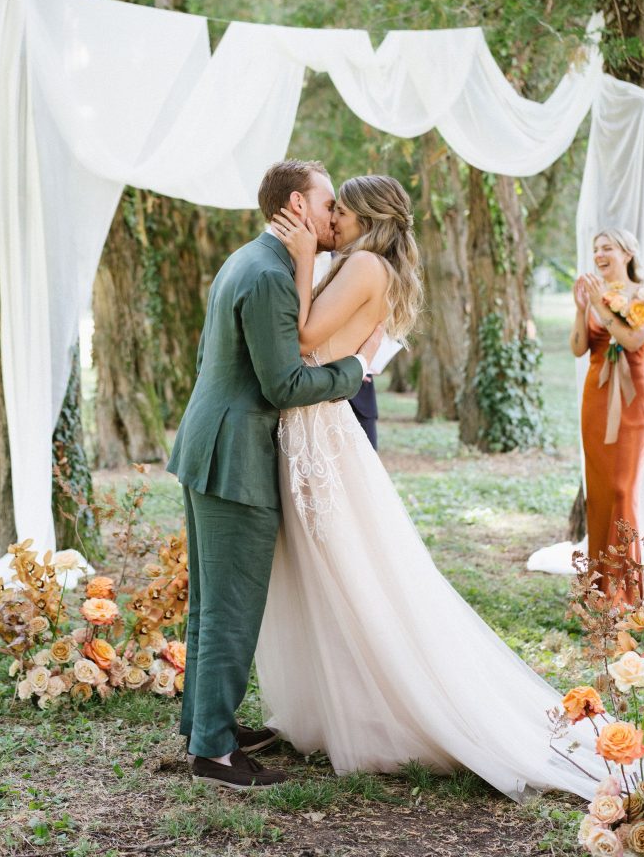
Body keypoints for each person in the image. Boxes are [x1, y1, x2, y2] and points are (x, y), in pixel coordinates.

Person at [256, 174, 601, 801]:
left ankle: (397, 708)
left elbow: (304, 338)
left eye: (339, 210)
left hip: (318, 432)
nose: (330, 218)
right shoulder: (363, 263)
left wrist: (305, 259)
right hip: (312, 426)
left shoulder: (362, 265)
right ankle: (346, 704)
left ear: (364, 217)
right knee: (329, 570)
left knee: (352, 572)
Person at [166, 158, 384, 790]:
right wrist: (356, 372)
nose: (333, 216)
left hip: (214, 443)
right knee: (231, 607)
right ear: (295, 206)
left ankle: (205, 727)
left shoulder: (252, 260)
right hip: (235, 456)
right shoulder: (269, 277)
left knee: (211, 603)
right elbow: (284, 384)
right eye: (326, 205)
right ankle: (214, 754)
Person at [570, 228, 644, 603]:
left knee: (622, 489)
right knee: (601, 492)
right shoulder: (590, 292)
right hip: (597, 397)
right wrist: (580, 308)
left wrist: (602, 306)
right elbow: (578, 348)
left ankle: (626, 590)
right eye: (595, 249)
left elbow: (634, 341)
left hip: (634, 398)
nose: (599, 255)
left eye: (607, 248)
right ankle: (599, 588)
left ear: (627, 253)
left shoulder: (643, 294)